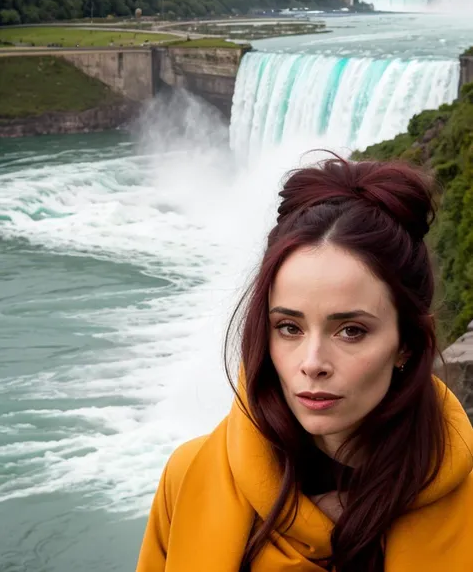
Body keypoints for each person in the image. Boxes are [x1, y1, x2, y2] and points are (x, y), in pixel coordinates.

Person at [136, 155, 473, 572]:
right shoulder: (188, 478)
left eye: (351, 330)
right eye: (289, 328)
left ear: (406, 344)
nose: (312, 364)